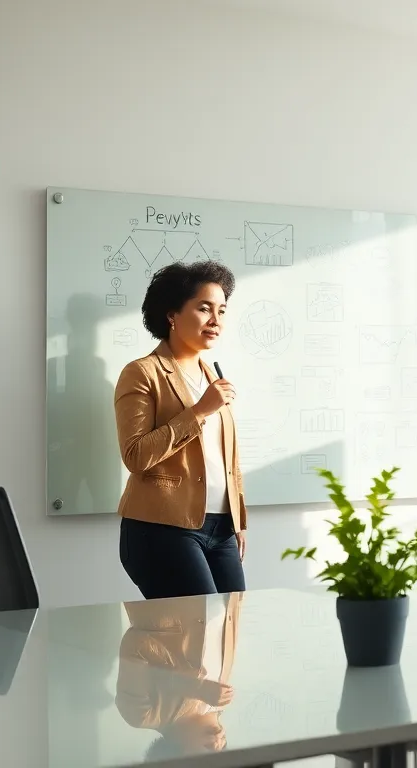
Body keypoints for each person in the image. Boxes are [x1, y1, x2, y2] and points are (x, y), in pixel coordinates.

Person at [114, 261, 248, 600]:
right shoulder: (142, 373)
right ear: (172, 314)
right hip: (162, 528)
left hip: (221, 528)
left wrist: (238, 518)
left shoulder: (214, 376)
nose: (215, 320)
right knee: (193, 637)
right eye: (204, 308)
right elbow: (136, 455)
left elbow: (226, 457)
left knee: (229, 631)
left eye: (222, 310)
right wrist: (200, 410)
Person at [115, 593, 243, 760]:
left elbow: (134, 646)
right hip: (226, 586)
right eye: (222, 751)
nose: (218, 744)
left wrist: (195, 688)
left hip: (171, 587)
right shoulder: (220, 700)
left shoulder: (141, 714)